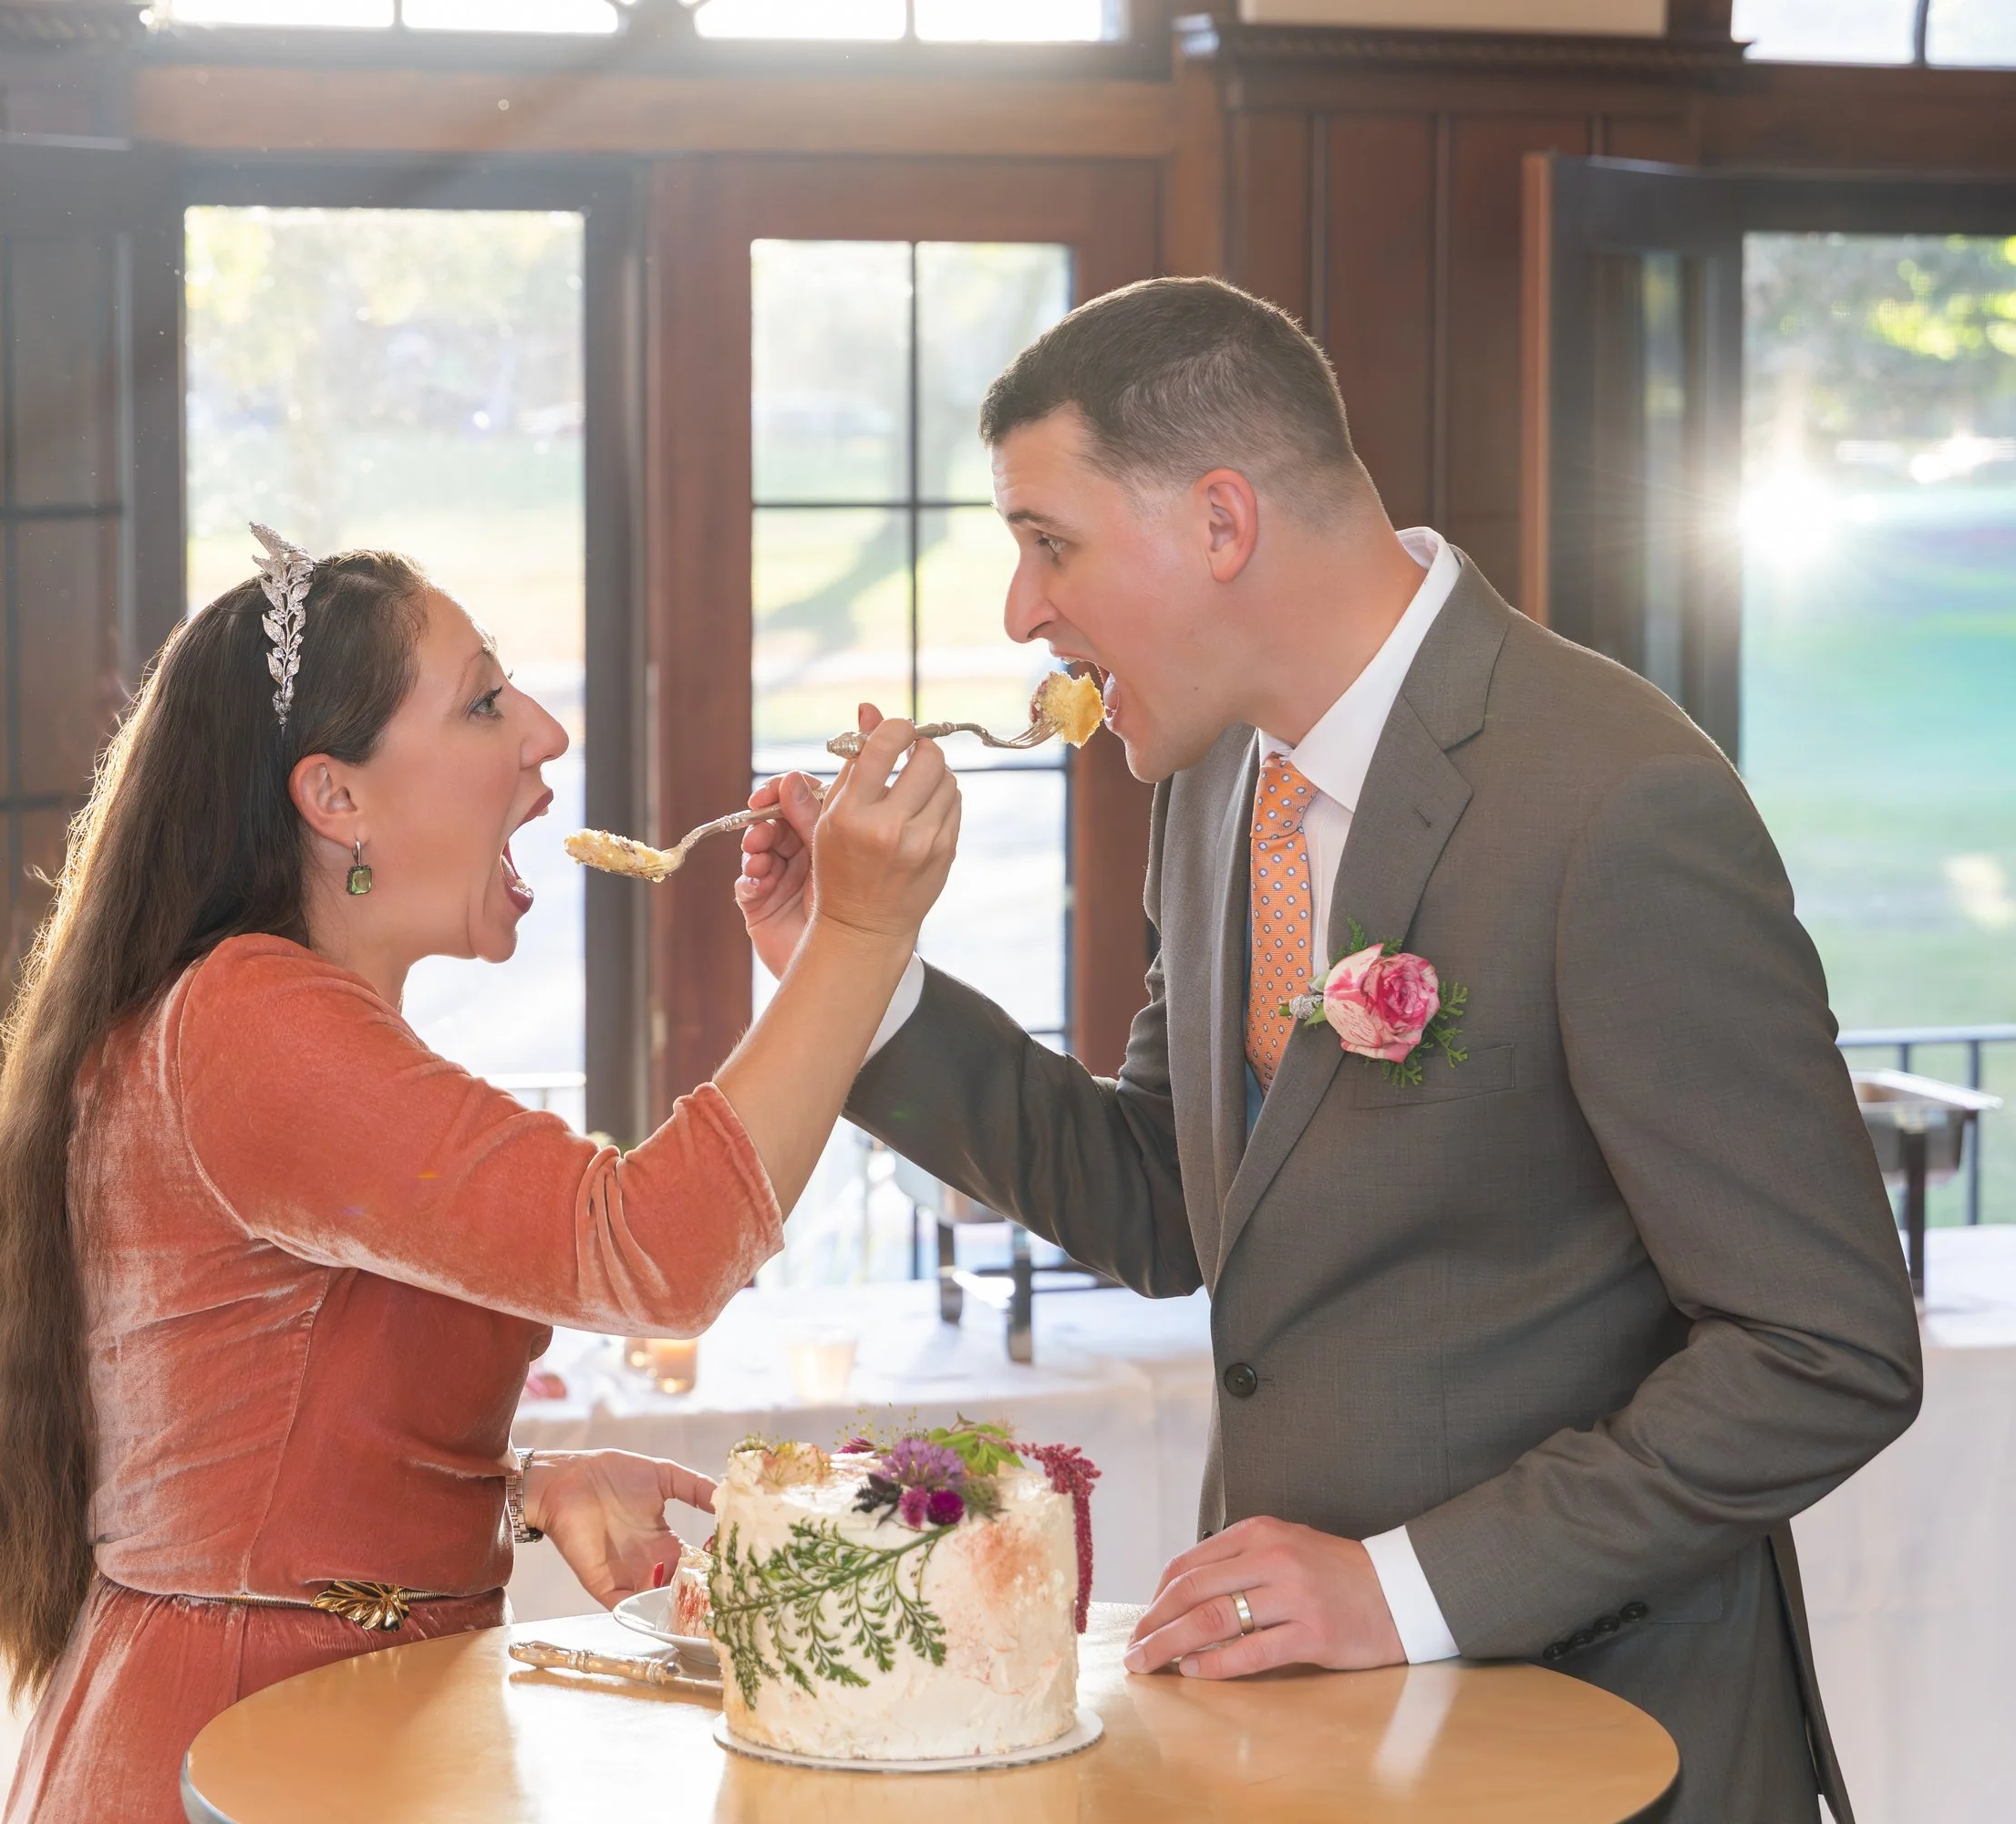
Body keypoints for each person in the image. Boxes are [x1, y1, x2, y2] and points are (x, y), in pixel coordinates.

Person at [738, 279, 1922, 1822]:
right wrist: (855, 974)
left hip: (1612, 1746)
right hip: (1311, 1755)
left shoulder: (1619, 802)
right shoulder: (1214, 778)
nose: (1023, 612)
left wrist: (1404, 1588)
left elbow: (1825, 1352)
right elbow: (1171, 1204)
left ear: (1221, 522)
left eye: (1049, 542)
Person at [0, 530, 956, 1824]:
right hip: (243, 1754)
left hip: (334, 1730)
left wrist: (508, 1488)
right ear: (335, 798)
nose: (545, 734)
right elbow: (651, 1248)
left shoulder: (262, 1019)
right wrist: (858, 934)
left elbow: (242, 1417)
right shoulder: (252, 1024)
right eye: (482, 702)